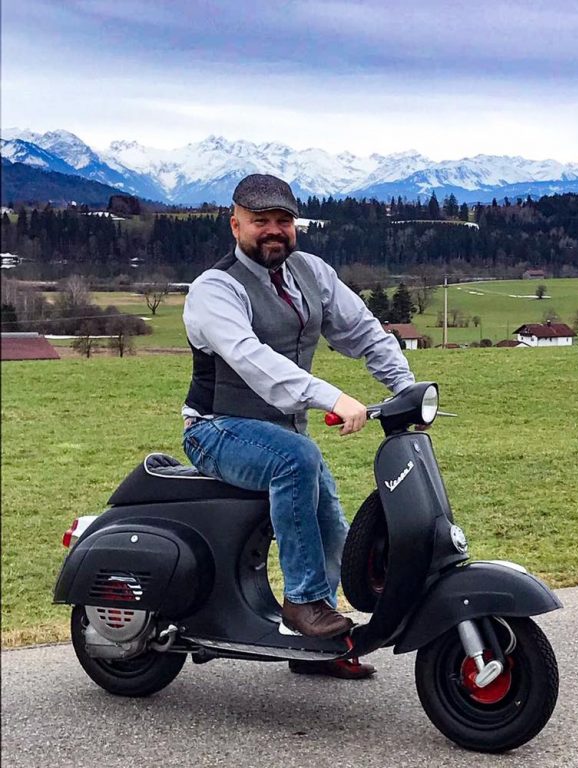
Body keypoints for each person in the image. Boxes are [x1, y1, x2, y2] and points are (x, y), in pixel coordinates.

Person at [181, 173, 415, 679]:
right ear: (235, 224)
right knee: (298, 459)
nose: (273, 230)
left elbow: (363, 331)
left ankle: (313, 647)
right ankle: (304, 602)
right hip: (218, 428)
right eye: (259, 220)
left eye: (283, 220)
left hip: (283, 434)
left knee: (332, 524)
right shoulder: (215, 289)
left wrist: (406, 390)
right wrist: (331, 395)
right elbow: (251, 358)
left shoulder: (311, 272)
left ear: (295, 226)